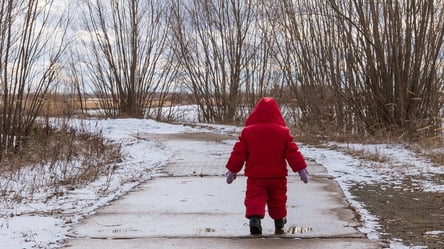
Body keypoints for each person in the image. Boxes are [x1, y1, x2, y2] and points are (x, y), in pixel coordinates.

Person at [225, 97, 308, 235]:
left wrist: (232, 170)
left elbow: (239, 153)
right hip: (277, 176)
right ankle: (279, 220)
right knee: (278, 199)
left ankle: (254, 220)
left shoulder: (248, 132)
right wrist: (301, 169)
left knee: (254, 198)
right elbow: (292, 152)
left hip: (256, 176)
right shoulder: (283, 132)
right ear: (277, 114)